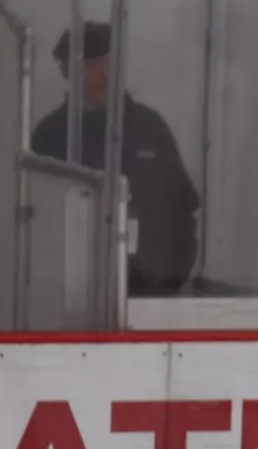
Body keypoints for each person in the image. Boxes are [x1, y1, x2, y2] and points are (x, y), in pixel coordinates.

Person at [32, 22, 201, 298]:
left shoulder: (150, 127)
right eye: (93, 65)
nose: (105, 74)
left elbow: (183, 209)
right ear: (69, 73)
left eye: (110, 63)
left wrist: (170, 280)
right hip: (73, 300)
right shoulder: (50, 135)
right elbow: (36, 224)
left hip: (149, 296)